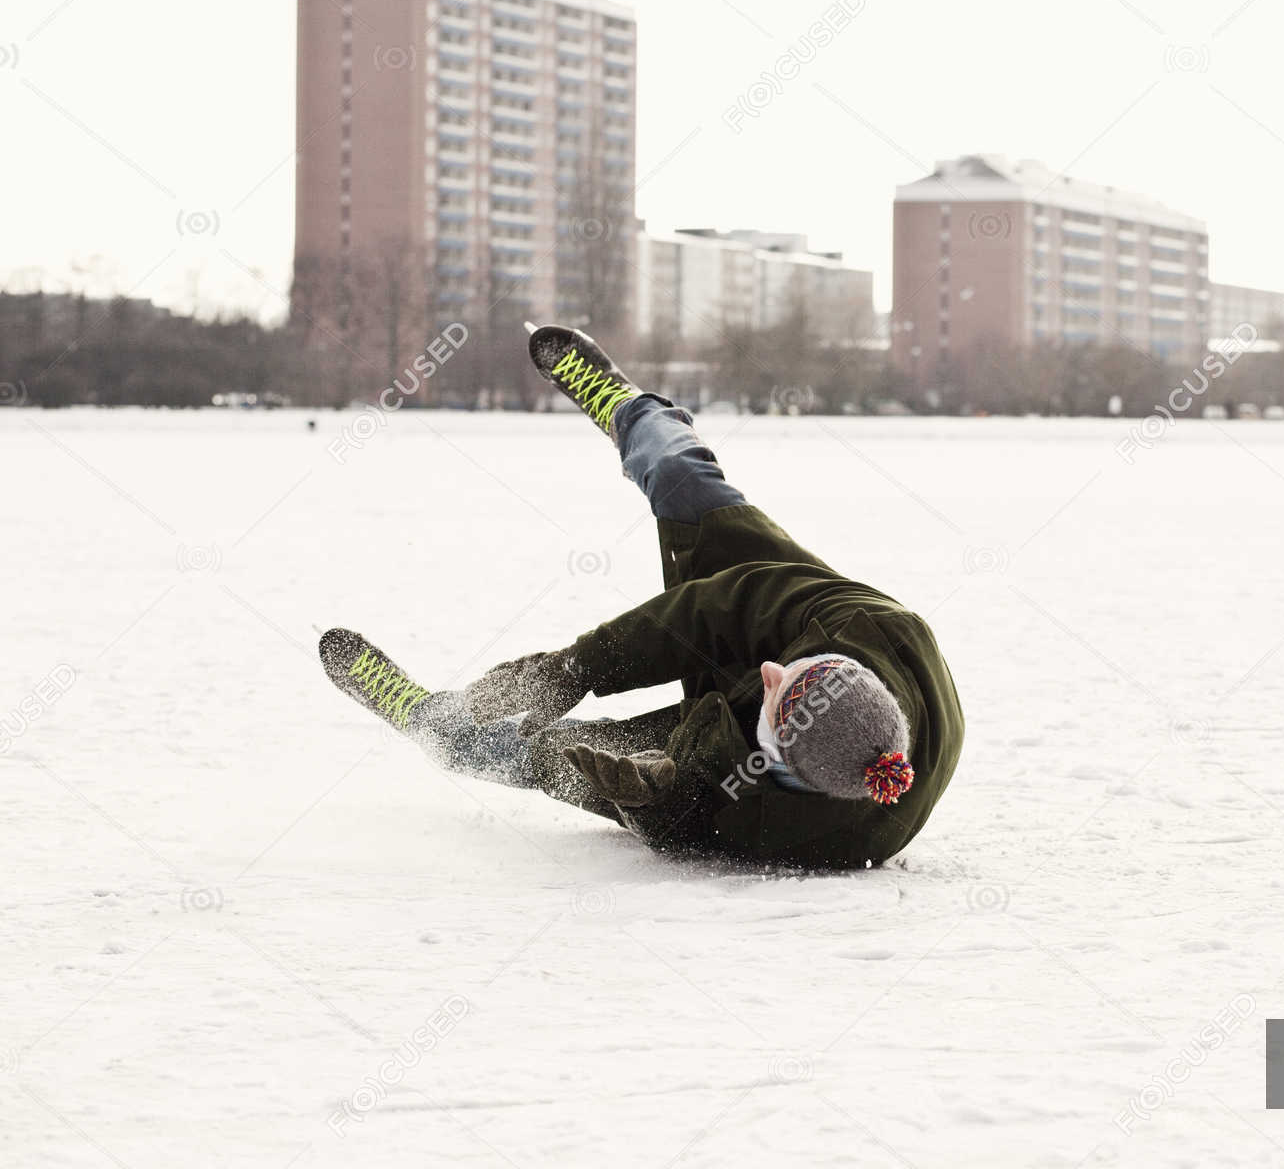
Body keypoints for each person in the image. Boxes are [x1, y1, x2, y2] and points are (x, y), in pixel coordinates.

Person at [319, 323, 964, 870]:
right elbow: (704, 610)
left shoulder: (788, 828)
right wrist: (566, 672)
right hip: (770, 614)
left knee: (540, 755)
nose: (770, 671)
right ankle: (629, 408)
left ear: (776, 754)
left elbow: (697, 827)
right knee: (685, 481)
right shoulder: (864, 627)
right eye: (796, 672)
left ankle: (430, 720)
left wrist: (652, 802)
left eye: (776, 691)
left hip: (720, 755)